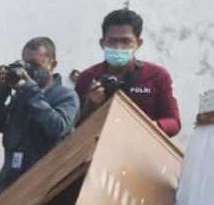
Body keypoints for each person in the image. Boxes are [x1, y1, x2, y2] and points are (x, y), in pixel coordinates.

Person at [0, 37, 79, 192]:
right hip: (11, 183)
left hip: (46, 185)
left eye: (36, 65)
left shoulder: (66, 96)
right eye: (27, 64)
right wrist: (1, 91)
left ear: (53, 65)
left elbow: (57, 127)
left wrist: (31, 92)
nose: (31, 71)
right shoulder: (22, 95)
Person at [75, 8, 180, 137]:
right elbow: (75, 128)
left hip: (140, 150)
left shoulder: (158, 76)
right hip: (99, 151)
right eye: (112, 41)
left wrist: (152, 127)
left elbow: (174, 122)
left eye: (126, 41)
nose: (118, 47)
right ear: (102, 43)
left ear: (138, 43)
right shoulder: (86, 78)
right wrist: (90, 106)